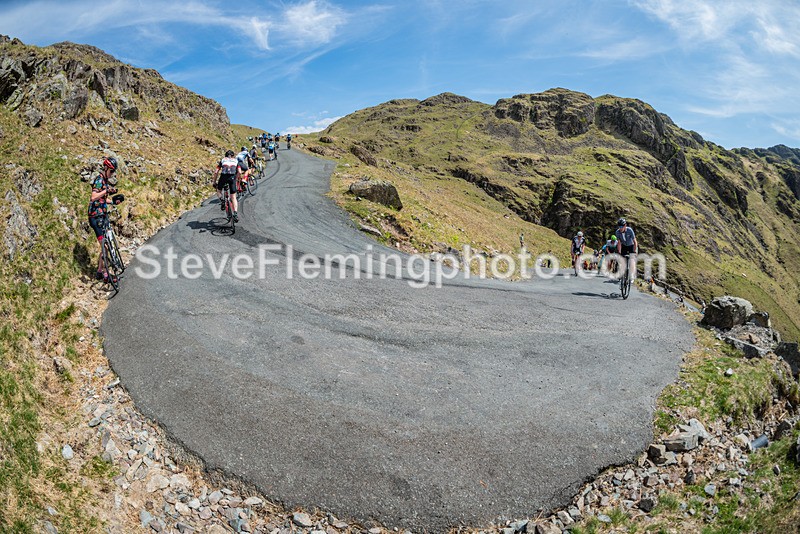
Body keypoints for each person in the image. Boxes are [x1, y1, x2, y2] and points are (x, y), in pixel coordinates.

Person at [88, 157, 120, 283]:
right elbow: (94, 197)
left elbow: (102, 199)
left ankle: (99, 271)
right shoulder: (99, 180)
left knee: (105, 246)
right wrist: (106, 190)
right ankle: (106, 274)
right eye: (111, 171)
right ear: (106, 168)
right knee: (105, 246)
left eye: (114, 172)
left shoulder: (105, 180)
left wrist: (112, 201)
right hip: (95, 217)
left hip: (102, 215)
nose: (112, 174)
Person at [213, 150, 240, 222]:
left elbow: (216, 172)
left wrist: (214, 182)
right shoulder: (236, 160)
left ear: (225, 155)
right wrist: (236, 179)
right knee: (233, 197)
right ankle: (235, 213)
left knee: (218, 191)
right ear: (233, 155)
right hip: (232, 177)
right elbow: (239, 172)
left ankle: (222, 200)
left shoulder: (223, 160)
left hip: (224, 177)